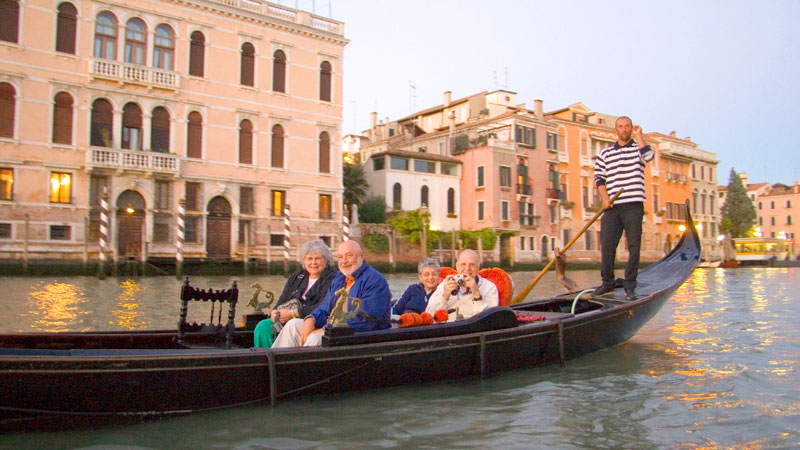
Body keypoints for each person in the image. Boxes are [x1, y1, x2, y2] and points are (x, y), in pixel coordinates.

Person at [272, 239, 391, 348]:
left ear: (362, 256)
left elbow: (368, 321)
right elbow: (325, 307)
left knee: (315, 337)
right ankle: (274, 364)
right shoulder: (339, 277)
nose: (344, 261)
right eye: (340, 257)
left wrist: (326, 330)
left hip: (359, 335)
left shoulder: (374, 280)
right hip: (334, 329)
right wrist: (311, 319)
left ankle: (299, 369)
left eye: (349, 256)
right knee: (293, 325)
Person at [592, 116, 655, 300]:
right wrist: (605, 199)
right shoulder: (605, 154)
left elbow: (649, 157)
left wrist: (639, 135)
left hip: (633, 204)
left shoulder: (639, 149)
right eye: (621, 127)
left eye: (627, 126)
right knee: (607, 245)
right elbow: (599, 179)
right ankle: (607, 282)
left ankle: (630, 286)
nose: (624, 129)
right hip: (612, 207)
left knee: (634, 246)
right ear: (616, 130)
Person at [253, 240, 336, 348]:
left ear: (326, 260)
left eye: (318, 258)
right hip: (287, 317)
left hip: (309, 319)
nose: (313, 263)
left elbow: (322, 306)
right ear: (304, 260)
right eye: (309, 259)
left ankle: (276, 358)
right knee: (263, 327)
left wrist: (293, 313)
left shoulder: (332, 278)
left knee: (291, 325)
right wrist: (275, 312)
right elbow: (283, 299)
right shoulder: (297, 276)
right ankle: (262, 358)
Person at [425, 249, 499, 322]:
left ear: (478, 267)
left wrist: (476, 293)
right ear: (457, 266)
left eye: (472, 264)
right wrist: (445, 296)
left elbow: (489, 321)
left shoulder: (489, 288)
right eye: (463, 264)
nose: (467, 269)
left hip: (472, 330)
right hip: (447, 330)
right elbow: (430, 316)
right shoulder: (445, 285)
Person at [391, 258, 441, 322]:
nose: (430, 278)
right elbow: (396, 309)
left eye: (434, 274)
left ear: (438, 276)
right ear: (420, 277)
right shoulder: (412, 289)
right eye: (426, 274)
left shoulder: (442, 293)